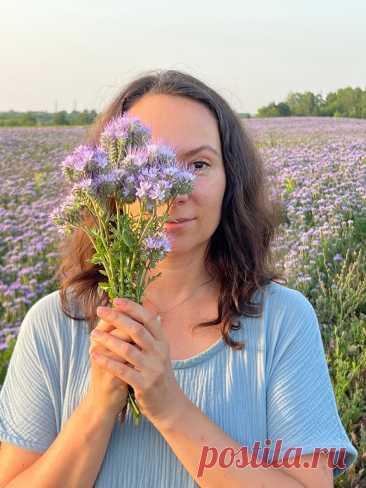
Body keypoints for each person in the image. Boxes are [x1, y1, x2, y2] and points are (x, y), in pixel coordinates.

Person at [0, 69, 358, 487]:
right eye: (149, 165)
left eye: (199, 164)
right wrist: (98, 406)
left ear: (230, 179)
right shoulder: (54, 325)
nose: (171, 190)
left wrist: (168, 406)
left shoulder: (283, 320)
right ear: (107, 185)